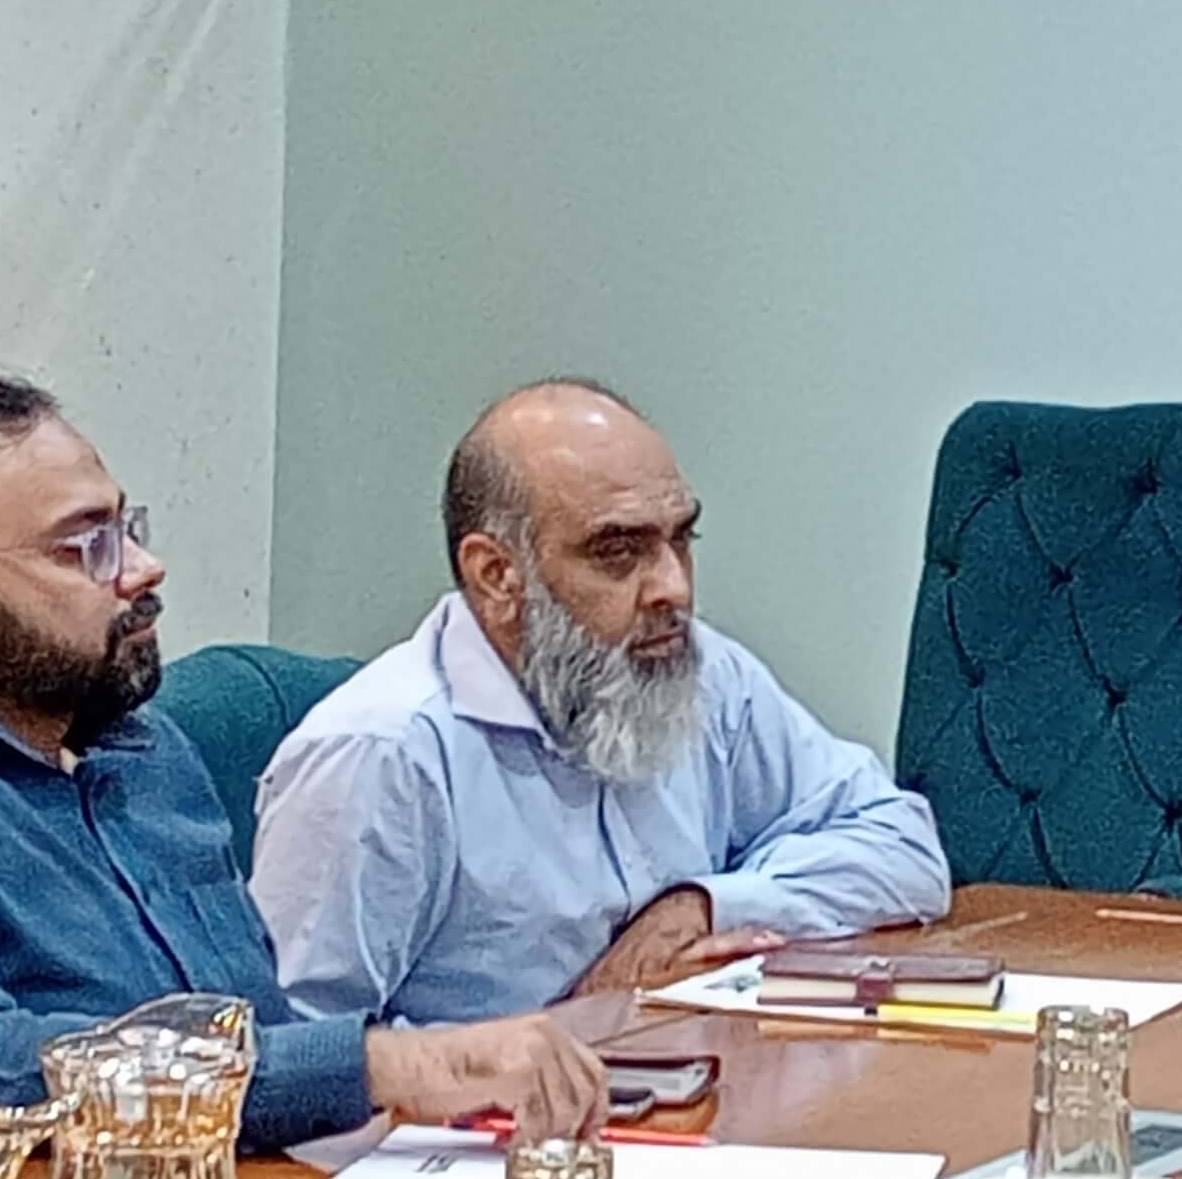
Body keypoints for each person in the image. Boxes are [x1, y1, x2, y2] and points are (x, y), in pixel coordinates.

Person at [0, 369, 603, 1179]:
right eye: (86, 546)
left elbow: (255, 1028)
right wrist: (383, 1064)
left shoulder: (143, 753)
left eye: (128, 527)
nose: (143, 570)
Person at [254, 378, 951, 1027]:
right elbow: (285, 1060)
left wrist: (700, 908)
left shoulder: (701, 673)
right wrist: (569, 1030)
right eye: (619, 552)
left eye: (680, 540)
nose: (674, 588)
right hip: (490, 1120)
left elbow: (903, 846)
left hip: (698, 1090)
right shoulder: (382, 756)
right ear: (497, 575)